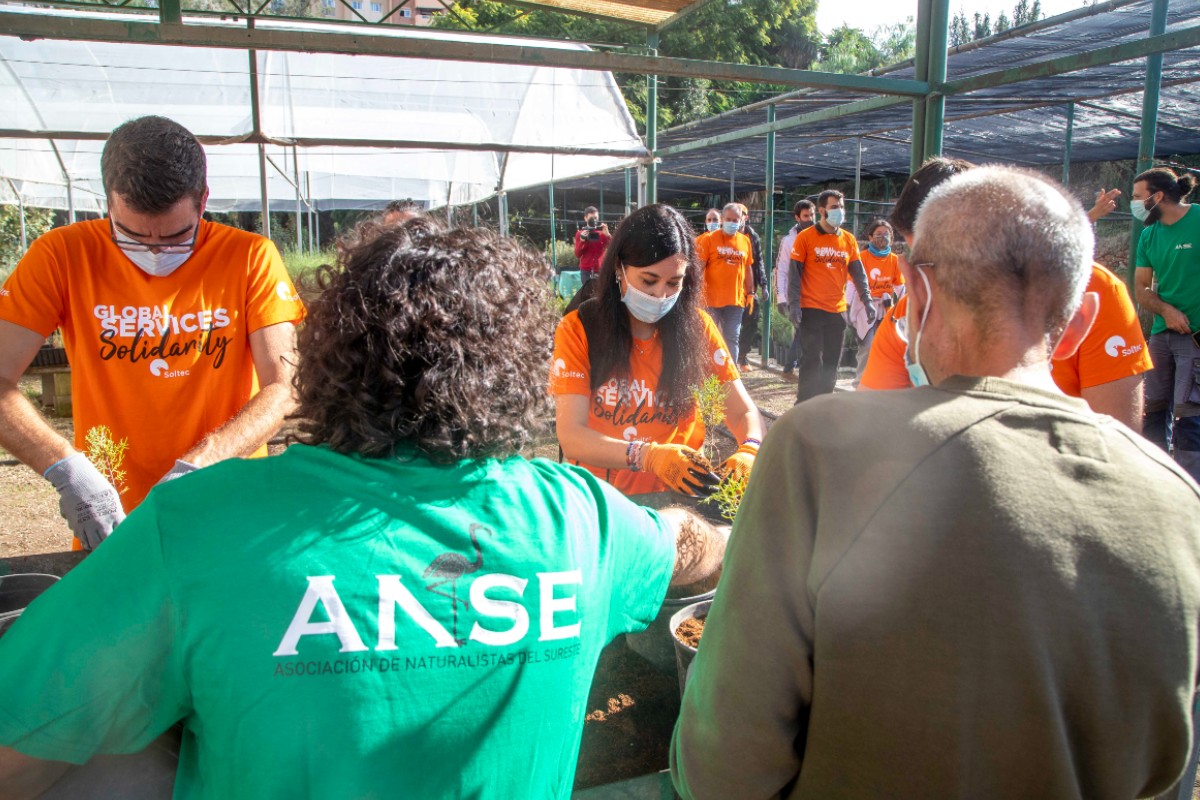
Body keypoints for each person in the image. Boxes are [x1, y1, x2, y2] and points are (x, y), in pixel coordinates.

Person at [0, 217, 728, 799]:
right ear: (512, 367)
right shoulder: (582, 522)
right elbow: (689, 546)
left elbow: (18, 748)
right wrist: (728, 524)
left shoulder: (193, 525)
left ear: (324, 355)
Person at [670, 165, 1200, 800]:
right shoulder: (1176, 500)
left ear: (915, 296)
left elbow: (725, 762)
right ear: (1081, 320)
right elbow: (1166, 768)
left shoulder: (819, 448)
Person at [0, 115, 305, 551]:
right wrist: (66, 469)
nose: (155, 250)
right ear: (107, 202)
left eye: (177, 235)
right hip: (115, 521)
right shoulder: (61, 255)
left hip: (226, 505)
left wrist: (206, 463)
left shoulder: (249, 257)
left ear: (203, 201)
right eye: (132, 235)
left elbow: (284, 384)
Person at [861, 157, 1152, 430]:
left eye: (941, 260)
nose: (930, 282)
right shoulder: (909, 310)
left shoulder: (1094, 290)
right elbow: (871, 423)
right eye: (919, 261)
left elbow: (1117, 434)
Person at [552, 204, 764, 497]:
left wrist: (750, 450)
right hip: (599, 497)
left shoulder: (697, 328)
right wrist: (648, 456)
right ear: (619, 268)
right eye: (648, 281)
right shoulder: (580, 329)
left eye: (673, 283)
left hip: (676, 493)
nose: (660, 295)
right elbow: (572, 435)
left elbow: (742, 412)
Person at [1133, 166, 1200, 482]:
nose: (1133, 204)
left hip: (1196, 336)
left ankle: (1191, 492)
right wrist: (1166, 311)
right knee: (1152, 408)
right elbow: (1141, 288)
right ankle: (1154, 479)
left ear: (1157, 196)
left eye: (1137, 197)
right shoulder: (1149, 234)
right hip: (1162, 333)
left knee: (1190, 416)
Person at [787, 189, 875, 403]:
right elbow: (794, 275)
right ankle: (804, 405)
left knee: (831, 362)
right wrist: (794, 305)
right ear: (822, 210)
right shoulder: (805, 238)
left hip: (837, 310)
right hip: (810, 309)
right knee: (811, 360)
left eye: (841, 206)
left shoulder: (848, 240)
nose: (839, 211)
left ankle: (824, 404)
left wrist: (867, 300)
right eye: (834, 206)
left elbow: (858, 273)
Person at [844, 218, 904, 383]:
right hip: (864, 306)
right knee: (867, 345)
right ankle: (860, 382)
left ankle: (880, 381)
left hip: (885, 307)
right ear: (870, 237)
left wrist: (906, 306)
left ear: (891, 238)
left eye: (886, 234)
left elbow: (900, 287)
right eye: (878, 234)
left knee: (886, 345)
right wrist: (847, 307)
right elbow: (851, 283)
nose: (882, 237)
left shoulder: (894, 260)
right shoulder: (861, 257)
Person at [695, 203, 754, 364]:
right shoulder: (708, 239)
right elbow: (699, 268)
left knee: (732, 338)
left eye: (735, 219)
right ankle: (708, 374)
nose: (732, 222)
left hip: (735, 300)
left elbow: (748, 268)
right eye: (728, 219)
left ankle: (731, 375)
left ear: (741, 220)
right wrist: (694, 293)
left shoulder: (745, 241)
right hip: (710, 300)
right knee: (710, 339)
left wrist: (751, 292)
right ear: (722, 219)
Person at [774, 199, 815, 381]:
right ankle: (790, 369)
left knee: (807, 332)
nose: (810, 219)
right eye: (806, 216)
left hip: (816, 293)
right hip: (796, 295)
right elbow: (781, 270)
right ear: (797, 217)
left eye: (812, 215)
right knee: (803, 331)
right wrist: (781, 297)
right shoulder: (789, 241)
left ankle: (791, 368)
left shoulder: (820, 237)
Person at [736, 203, 766, 372]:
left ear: (745, 217)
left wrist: (764, 284)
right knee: (731, 325)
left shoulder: (751, 236)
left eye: (741, 215)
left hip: (749, 289)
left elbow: (758, 262)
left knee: (752, 321)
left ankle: (742, 355)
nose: (737, 220)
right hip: (729, 290)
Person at [573, 205, 611, 284]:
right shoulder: (580, 234)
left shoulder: (602, 234)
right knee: (587, 295)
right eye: (591, 218)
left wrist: (608, 235)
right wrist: (582, 240)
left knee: (601, 295)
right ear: (585, 218)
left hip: (600, 270)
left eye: (596, 218)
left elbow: (614, 248)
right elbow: (577, 254)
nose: (594, 221)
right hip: (586, 271)